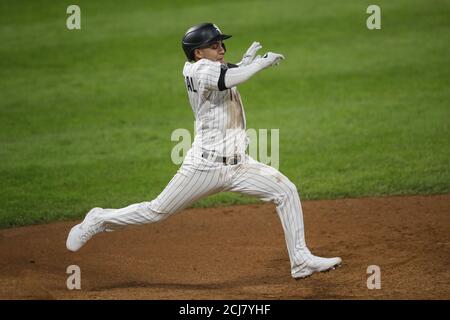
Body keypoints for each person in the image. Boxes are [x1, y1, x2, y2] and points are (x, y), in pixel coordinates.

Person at [66, 22, 342, 279]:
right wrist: (260, 64)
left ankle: (301, 260)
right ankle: (99, 218)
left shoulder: (208, 68)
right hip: (205, 167)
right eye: (214, 45)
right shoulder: (198, 70)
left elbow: (227, 74)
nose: (221, 48)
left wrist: (245, 63)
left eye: (222, 43)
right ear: (198, 53)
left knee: (286, 191)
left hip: (238, 166)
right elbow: (227, 78)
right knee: (156, 212)